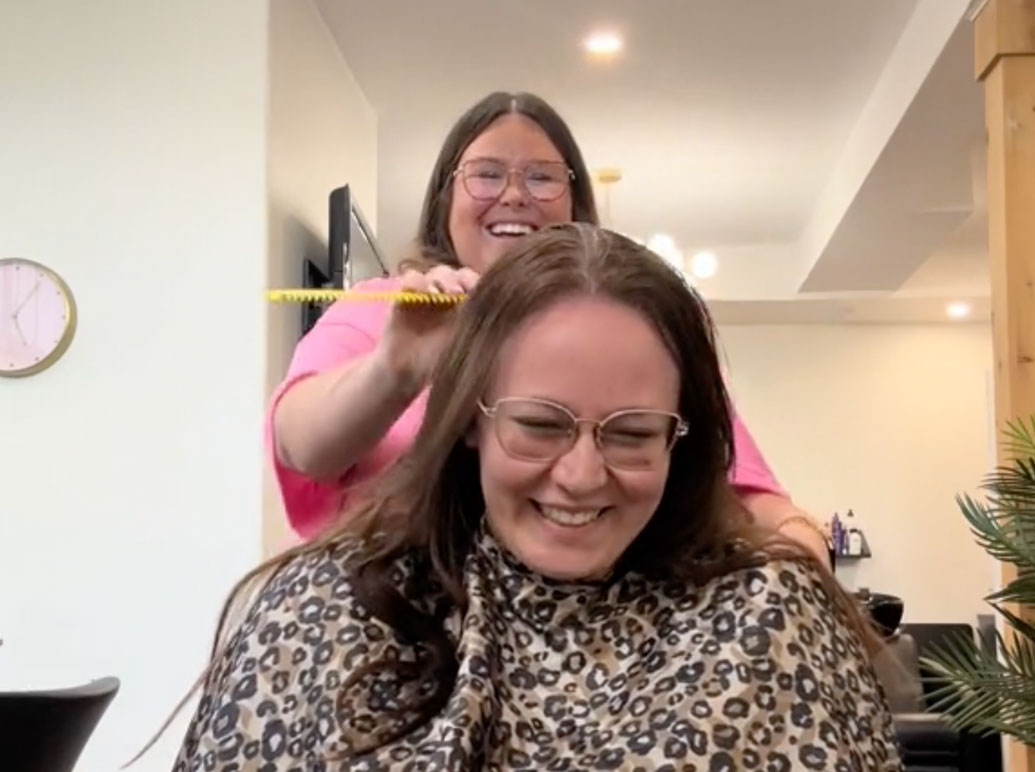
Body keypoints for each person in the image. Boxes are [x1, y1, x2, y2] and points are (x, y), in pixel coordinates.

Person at [176, 225, 899, 770]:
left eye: (631, 433)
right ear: (470, 420)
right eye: (539, 425)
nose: (580, 476)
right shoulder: (322, 612)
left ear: (678, 438)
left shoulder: (768, 622)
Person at [268, 91, 828, 562]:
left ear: (574, 202)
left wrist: (804, 566)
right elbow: (299, 444)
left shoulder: (631, 326)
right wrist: (394, 370)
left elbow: (750, 496)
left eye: (541, 178)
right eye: (487, 175)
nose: (514, 195)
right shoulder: (383, 309)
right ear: (445, 197)